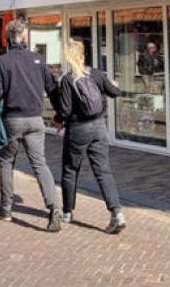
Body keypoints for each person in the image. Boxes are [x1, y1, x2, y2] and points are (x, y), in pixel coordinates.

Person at [0, 19, 63, 231]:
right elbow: (53, 89)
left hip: (12, 119)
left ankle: (6, 209)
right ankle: (54, 207)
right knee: (40, 163)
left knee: (6, 162)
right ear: (24, 37)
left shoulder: (3, 62)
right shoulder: (38, 59)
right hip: (35, 118)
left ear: (8, 38)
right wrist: (60, 115)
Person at [53, 39, 127, 234]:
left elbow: (66, 110)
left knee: (70, 169)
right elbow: (114, 92)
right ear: (83, 55)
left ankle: (68, 211)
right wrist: (114, 84)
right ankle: (116, 213)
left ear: (68, 59)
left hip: (78, 129)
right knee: (103, 171)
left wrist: (57, 120)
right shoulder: (95, 73)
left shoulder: (68, 80)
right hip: (99, 127)